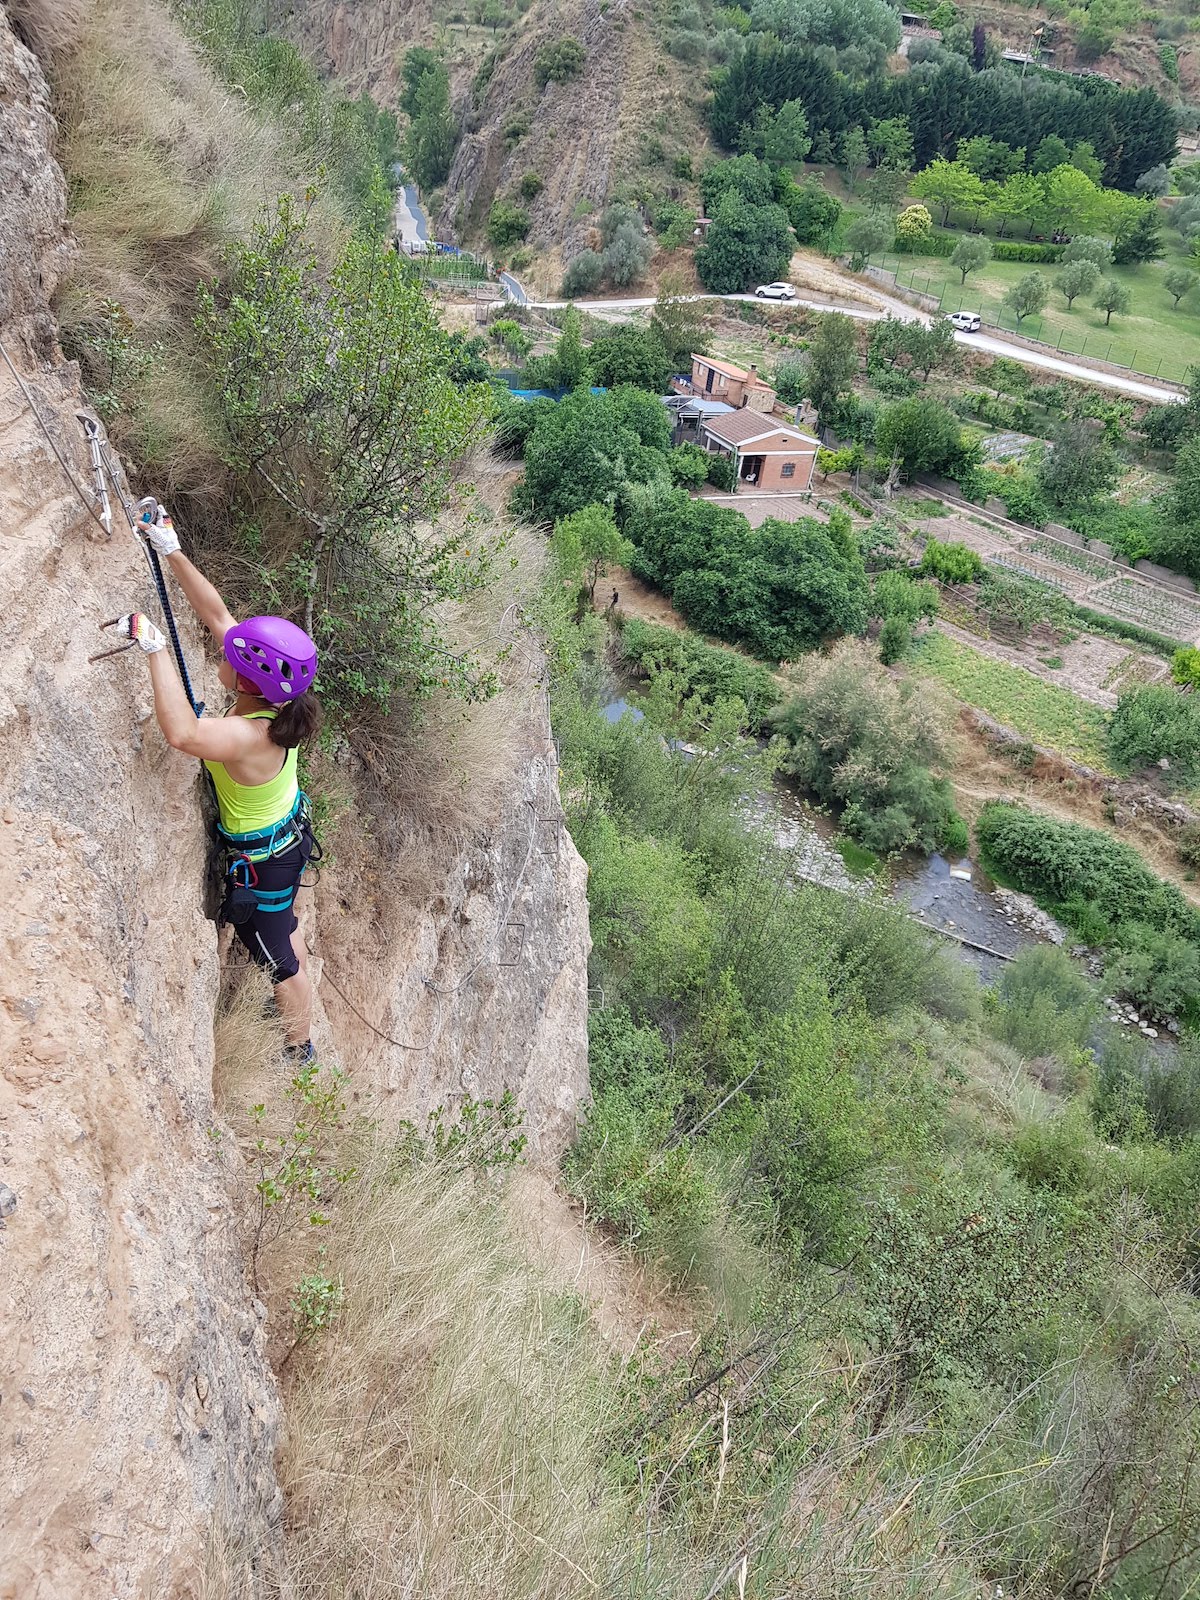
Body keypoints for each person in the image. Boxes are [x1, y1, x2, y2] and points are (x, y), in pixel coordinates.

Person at [112, 506, 322, 1062]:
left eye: (233, 659)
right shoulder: (272, 703)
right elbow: (218, 614)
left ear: (248, 682)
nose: (223, 652)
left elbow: (183, 733)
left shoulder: (247, 735)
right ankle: (296, 994)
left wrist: (156, 651)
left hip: (268, 858)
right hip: (287, 840)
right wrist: (170, 548)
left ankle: (299, 1047)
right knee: (287, 933)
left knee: (277, 954)